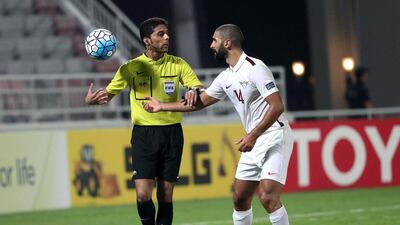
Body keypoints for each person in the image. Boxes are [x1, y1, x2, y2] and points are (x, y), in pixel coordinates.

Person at [144, 24, 294, 225]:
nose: (211, 45)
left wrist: (253, 135)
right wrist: (162, 106)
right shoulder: (226, 77)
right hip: (254, 138)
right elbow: (199, 102)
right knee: (239, 199)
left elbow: (277, 106)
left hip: (274, 134)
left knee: (267, 197)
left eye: (214, 40)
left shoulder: (254, 68)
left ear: (227, 42)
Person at [85, 17, 203, 225]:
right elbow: (107, 96)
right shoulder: (129, 68)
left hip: (172, 133)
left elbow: (197, 88)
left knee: (165, 195)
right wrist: (92, 101)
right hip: (143, 136)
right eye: (160, 34)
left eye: (167, 33)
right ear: (147, 41)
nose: (167, 37)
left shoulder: (178, 64)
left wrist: (194, 90)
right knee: (142, 195)